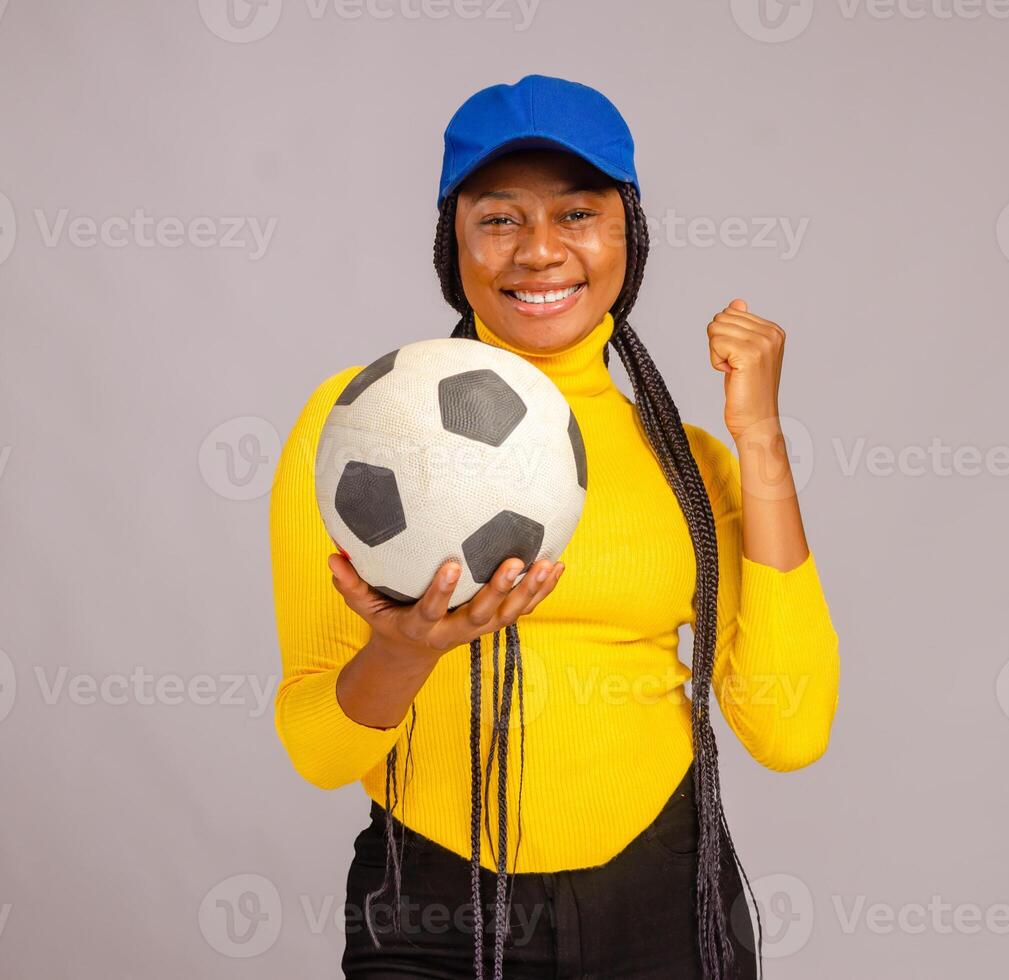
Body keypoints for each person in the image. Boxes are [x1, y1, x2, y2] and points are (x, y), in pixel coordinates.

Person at [270, 73, 841, 979]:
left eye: (577, 214)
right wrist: (407, 648)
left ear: (630, 233)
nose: (539, 252)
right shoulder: (358, 429)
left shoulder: (690, 461)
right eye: (499, 219)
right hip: (434, 903)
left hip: (665, 893)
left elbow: (790, 729)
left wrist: (759, 438)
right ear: (451, 240)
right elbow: (317, 748)